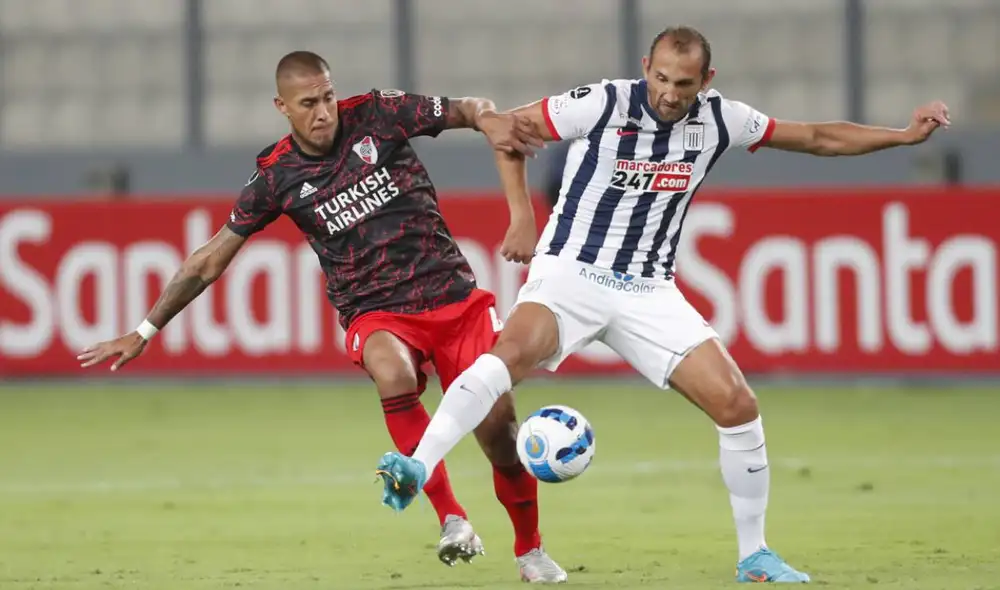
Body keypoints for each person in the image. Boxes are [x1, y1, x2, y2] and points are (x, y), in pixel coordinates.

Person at [375, 26, 951, 584]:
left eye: (685, 84)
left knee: (737, 404)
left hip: (648, 289)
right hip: (572, 270)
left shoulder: (722, 118)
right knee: (505, 359)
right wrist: (523, 216)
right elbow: (507, 129)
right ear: (647, 69)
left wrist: (901, 136)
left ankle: (755, 556)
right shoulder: (603, 102)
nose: (672, 94)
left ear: (707, 79)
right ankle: (418, 466)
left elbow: (816, 137)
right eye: (664, 79)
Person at [77, 51, 569, 583]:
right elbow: (210, 259)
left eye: (328, 96)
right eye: (308, 103)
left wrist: (490, 118)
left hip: (451, 296)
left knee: (500, 431)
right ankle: (452, 518)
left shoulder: (381, 113)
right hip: (375, 311)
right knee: (393, 373)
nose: (323, 111)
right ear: (282, 107)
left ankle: (530, 551)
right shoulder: (276, 175)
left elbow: (470, 109)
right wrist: (146, 329)